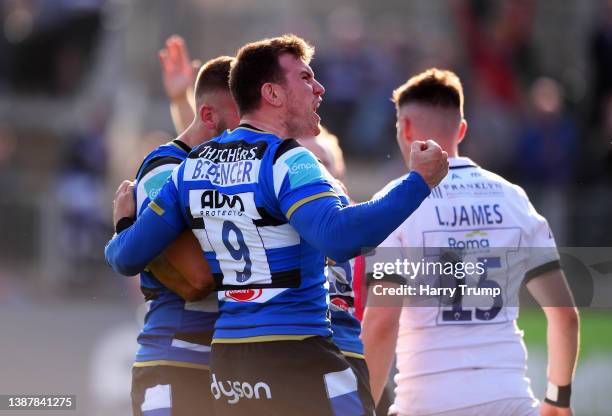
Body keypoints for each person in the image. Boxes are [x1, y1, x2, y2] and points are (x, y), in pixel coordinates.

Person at [106, 34, 448, 415]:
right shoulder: (288, 161)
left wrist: (122, 224)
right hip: (296, 356)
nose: (319, 88)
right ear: (271, 93)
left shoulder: (192, 168)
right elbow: (338, 236)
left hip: (230, 367)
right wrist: (418, 181)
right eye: (305, 78)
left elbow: (126, 256)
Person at [361, 68, 580, 416]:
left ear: (404, 128)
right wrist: (558, 398)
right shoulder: (513, 199)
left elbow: (382, 322)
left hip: (429, 403)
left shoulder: (393, 207)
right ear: (461, 130)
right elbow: (565, 315)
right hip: (510, 399)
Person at [128, 43, 239, 416]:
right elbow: (196, 279)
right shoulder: (162, 170)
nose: (254, 137)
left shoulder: (216, 166)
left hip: (225, 366)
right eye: (247, 122)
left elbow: (203, 154)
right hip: (177, 358)